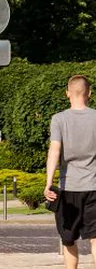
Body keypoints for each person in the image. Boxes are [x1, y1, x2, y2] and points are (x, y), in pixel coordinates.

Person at [45, 75, 96, 268]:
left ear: (67, 93)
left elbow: (54, 151)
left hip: (68, 189)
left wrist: (49, 182)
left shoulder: (59, 119)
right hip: (94, 188)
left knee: (68, 240)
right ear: (89, 93)